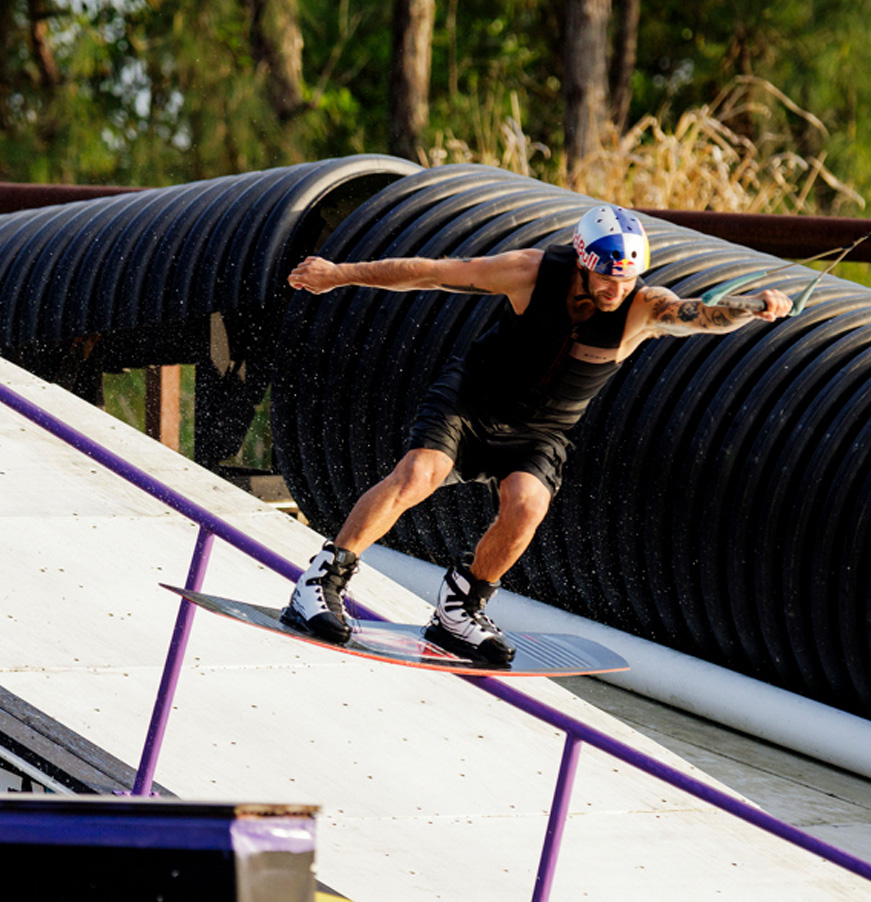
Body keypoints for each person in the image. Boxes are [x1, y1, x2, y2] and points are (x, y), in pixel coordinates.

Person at [281, 204, 792, 664]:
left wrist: (751, 307)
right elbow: (432, 274)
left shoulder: (643, 307)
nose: (617, 291)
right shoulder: (529, 272)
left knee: (528, 505)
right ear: (582, 262)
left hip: (541, 430)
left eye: (629, 279)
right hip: (472, 401)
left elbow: (699, 316)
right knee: (419, 475)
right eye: (606, 278)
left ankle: (461, 608)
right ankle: (322, 581)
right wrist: (337, 274)